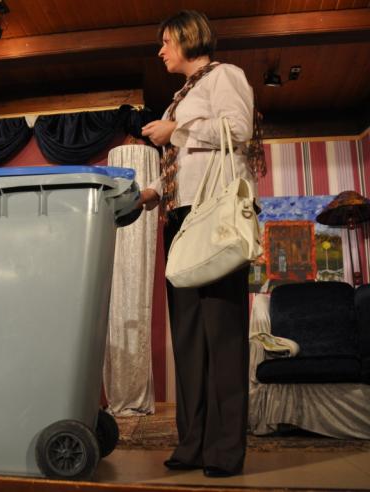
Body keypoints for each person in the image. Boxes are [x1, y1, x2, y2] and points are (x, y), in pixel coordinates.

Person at [138, 10, 265, 477]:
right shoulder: (180, 96)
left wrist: (177, 129)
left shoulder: (224, 76)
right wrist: (152, 192)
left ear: (188, 37)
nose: (161, 51)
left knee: (223, 336)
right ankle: (192, 443)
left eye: (166, 41)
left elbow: (238, 130)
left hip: (216, 218)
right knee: (189, 339)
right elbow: (186, 163)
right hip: (182, 217)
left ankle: (225, 451)